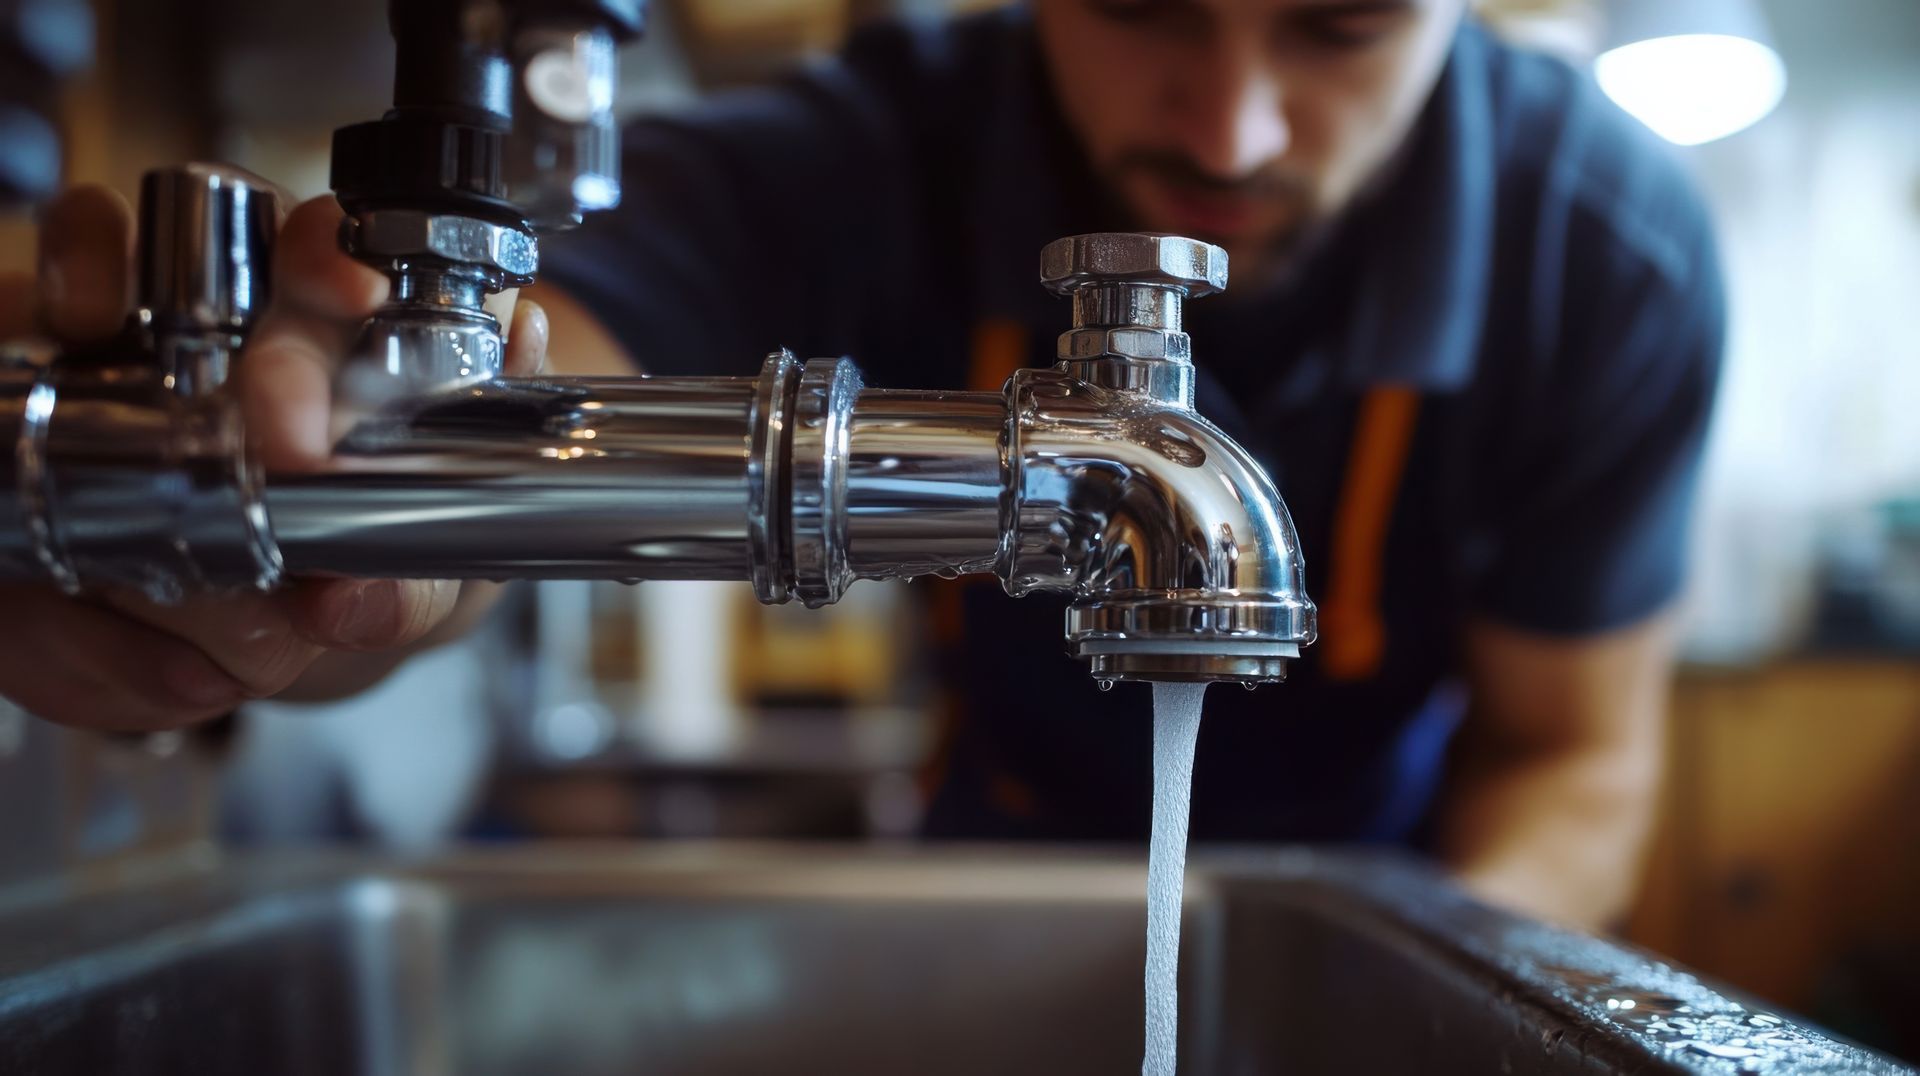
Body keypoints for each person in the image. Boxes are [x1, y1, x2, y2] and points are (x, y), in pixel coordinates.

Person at [0, 0, 1722, 929]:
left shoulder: (1608, 256)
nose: (1229, 128)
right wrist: (356, 503)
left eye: (1338, 27)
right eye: (1136, 5)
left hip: (1388, 871)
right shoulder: (893, 136)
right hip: (991, 856)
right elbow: (560, 354)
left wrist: (1405, 989)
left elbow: (1575, 762)